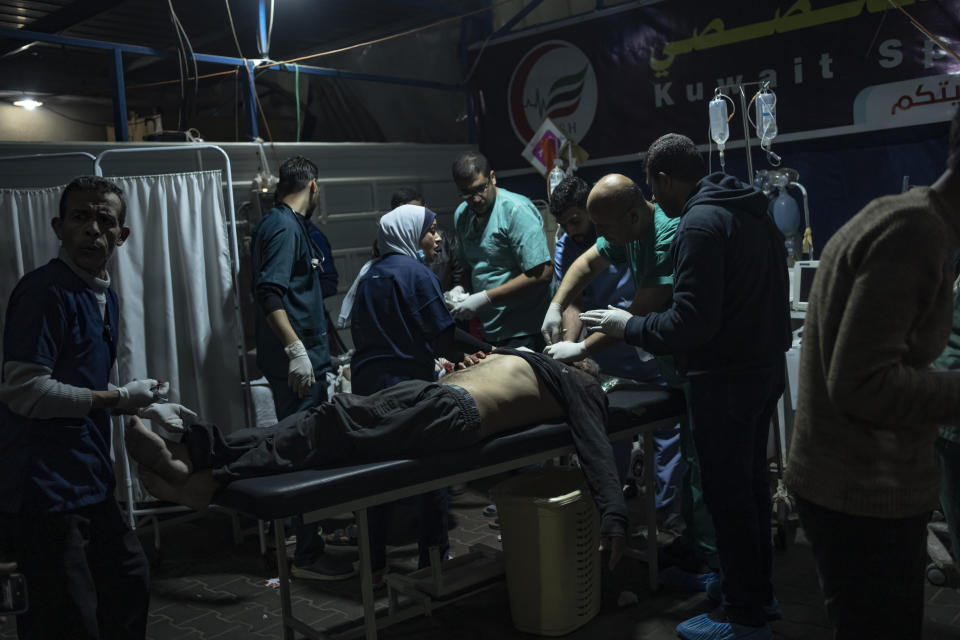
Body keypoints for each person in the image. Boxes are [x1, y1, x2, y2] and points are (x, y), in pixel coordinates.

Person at [125, 348, 627, 569]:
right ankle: (199, 452)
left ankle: (206, 481)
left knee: (332, 423)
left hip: (451, 413)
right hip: (435, 398)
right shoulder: (533, 359)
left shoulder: (577, 382)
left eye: (578, 357)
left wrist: (613, 514)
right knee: (320, 421)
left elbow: (593, 441)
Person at [580, 135, 790, 640]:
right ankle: (755, 593)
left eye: (654, 186)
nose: (657, 199)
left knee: (728, 498)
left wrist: (622, 326)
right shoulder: (751, 211)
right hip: (764, 371)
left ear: (662, 179)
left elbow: (689, 324)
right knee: (752, 490)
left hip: (723, 380)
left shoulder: (697, 224)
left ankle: (742, 617)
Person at [784, 107, 960, 640]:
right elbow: (861, 384)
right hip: (860, 498)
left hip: (855, 489)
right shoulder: (915, 234)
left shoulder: (912, 220)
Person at [0, 176, 193, 639]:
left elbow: (79, 384)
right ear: (58, 227)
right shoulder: (45, 292)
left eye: (105, 220)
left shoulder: (101, 296)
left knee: (127, 583)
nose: (92, 229)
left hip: (88, 478)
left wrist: (139, 408)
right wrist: (121, 398)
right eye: (80, 217)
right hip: (45, 489)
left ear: (121, 235)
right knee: (67, 620)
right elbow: (26, 390)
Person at [543, 174, 719, 580]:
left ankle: (707, 561)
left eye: (602, 227)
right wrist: (557, 305)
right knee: (634, 443)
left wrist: (584, 349)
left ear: (632, 213)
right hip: (639, 357)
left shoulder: (663, 239)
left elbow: (639, 313)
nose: (597, 236)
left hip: (681, 361)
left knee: (694, 462)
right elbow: (585, 264)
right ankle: (682, 543)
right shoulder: (621, 233)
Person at [337, 204, 488, 578]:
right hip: (407, 390)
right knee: (429, 472)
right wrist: (488, 351)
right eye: (431, 229)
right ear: (408, 233)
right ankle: (433, 562)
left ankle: (372, 565)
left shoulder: (370, 275)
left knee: (377, 480)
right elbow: (443, 336)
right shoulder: (416, 273)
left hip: (369, 391)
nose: (437, 236)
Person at [250, 156, 352, 580]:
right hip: (298, 365)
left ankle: (309, 543)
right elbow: (269, 293)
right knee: (301, 456)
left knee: (303, 450)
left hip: (306, 360)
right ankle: (307, 555)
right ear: (314, 185)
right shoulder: (282, 226)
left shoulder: (287, 225)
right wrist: (296, 351)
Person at [450, 152, 552, 351]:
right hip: (491, 327)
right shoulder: (462, 215)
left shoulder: (515, 210)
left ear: (492, 178)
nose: (476, 199)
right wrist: (460, 290)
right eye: (466, 192)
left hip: (526, 328)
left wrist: (485, 297)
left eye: (481, 188)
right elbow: (467, 267)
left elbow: (542, 274)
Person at [390, 186, 463, 292]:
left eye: (416, 213)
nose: (413, 219)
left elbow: (460, 276)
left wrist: (456, 292)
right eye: (406, 215)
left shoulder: (447, 239)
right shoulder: (388, 248)